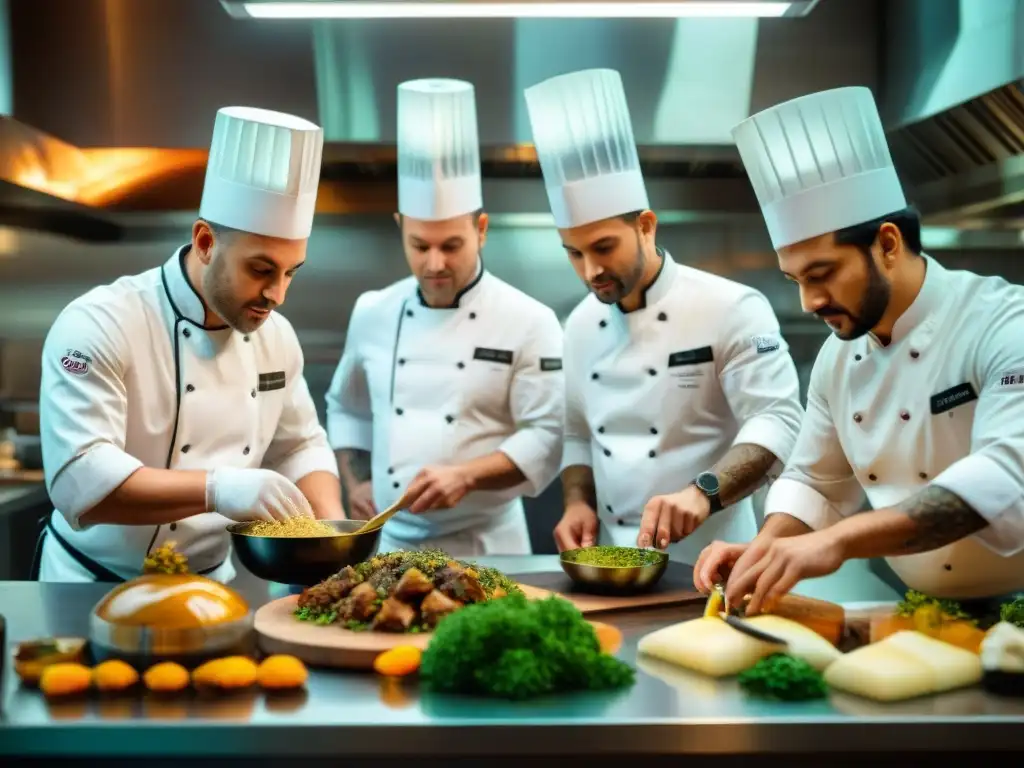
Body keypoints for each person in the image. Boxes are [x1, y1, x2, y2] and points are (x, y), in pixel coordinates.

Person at [695, 85, 1024, 613]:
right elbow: (817, 482)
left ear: (888, 244)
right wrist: (769, 548)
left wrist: (838, 542)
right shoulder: (837, 358)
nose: (808, 301)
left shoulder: (1004, 324)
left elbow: (1007, 474)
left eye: (822, 274)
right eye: (795, 279)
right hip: (920, 607)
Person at [36, 106, 343, 583]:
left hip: (209, 589)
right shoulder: (101, 323)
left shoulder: (277, 337)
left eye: (290, 274)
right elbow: (83, 482)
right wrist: (218, 490)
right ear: (204, 241)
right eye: (261, 270)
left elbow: (299, 444)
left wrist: (331, 535)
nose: (277, 295)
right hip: (90, 585)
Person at [523, 68, 804, 563]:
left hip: (714, 557)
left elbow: (777, 419)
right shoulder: (581, 324)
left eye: (604, 247)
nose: (590, 271)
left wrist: (703, 491)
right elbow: (577, 434)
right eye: (573, 253)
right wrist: (575, 502)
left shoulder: (732, 307)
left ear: (646, 226)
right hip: (612, 562)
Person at [324, 78, 564, 556]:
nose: (435, 263)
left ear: (481, 230)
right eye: (420, 245)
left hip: (490, 545)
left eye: (451, 245)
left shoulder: (529, 320)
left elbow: (550, 435)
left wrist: (466, 476)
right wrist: (356, 481)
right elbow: (346, 407)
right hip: (390, 543)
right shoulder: (373, 311)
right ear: (400, 227)